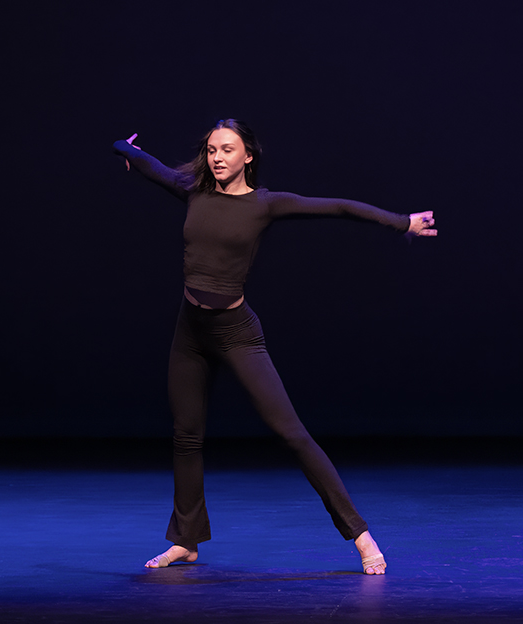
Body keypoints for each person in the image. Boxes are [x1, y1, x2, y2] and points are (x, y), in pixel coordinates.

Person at [113, 118, 436, 575]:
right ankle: (186, 541)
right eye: (211, 150)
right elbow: (150, 165)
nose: (217, 157)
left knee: (291, 433)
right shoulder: (194, 190)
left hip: (236, 332)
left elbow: (338, 208)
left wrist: (402, 222)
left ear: (248, 156)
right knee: (186, 437)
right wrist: (125, 149)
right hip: (190, 332)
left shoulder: (265, 205)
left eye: (227, 149)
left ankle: (360, 534)